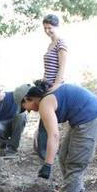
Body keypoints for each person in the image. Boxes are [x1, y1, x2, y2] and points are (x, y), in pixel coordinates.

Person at [20, 80, 97, 192]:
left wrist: (47, 164)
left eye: (26, 108)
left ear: (28, 98)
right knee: (64, 157)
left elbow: (53, 135)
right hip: (80, 120)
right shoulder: (47, 95)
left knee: (75, 165)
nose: (29, 111)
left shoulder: (45, 104)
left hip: (91, 118)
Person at [35, 13, 69, 160]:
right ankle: (42, 150)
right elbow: (48, 68)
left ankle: (47, 153)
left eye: (50, 28)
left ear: (56, 26)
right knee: (43, 119)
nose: (47, 30)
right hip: (46, 85)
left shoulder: (61, 43)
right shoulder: (50, 44)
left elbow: (62, 67)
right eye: (45, 28)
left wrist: (56, 85)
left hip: (55, 87)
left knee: (48, 120)